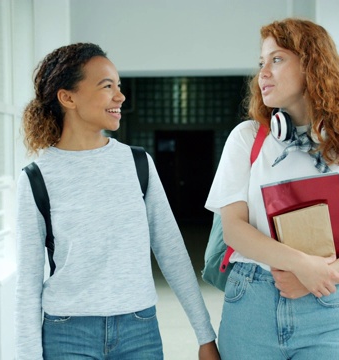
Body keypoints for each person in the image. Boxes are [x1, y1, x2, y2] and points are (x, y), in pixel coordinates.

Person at [205, 18, 339, 359]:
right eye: (261, 63)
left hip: (327, 301)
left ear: (312, 64)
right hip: (252, 300)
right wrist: (302, 265)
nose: (263, 73)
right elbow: (234, 230)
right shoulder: (246, 139)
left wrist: (319, 276)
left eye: (277, 59)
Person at [15, 42, 219, 360]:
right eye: (107, 86)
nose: (120, 96)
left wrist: (205, 335)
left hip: (139, 331)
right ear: (67, 97)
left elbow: (173, 253)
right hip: (67, 334)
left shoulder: (137, 163)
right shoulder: (37, 177)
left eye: (119, 86)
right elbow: (27, 281)